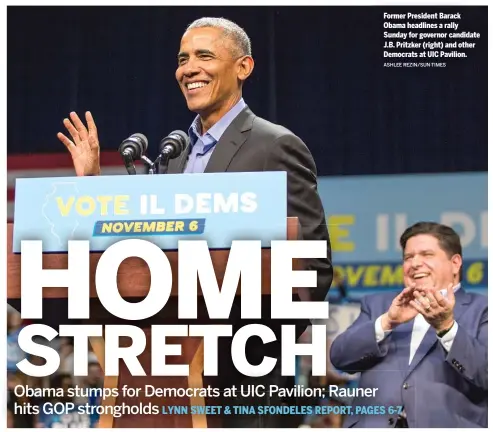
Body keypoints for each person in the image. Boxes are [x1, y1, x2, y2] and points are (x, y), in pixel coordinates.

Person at [57, 17, 333, 428]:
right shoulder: (172, 158)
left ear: (244, 67)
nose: (188, 68)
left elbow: (313, 268)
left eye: (204, 55)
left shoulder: (274, 146)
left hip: (241, 381)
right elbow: (139, 261)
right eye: (182, 58)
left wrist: (239, 325)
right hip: (162, 381)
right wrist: (92, 190)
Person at [330, 222, 487, 428]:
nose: (415, 263)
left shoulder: (482, 309)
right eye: (408, 257)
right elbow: (340, 357)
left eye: (427, 254)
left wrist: (446, 327)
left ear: (455, 263)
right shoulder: (378, 305)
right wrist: (387, 322)